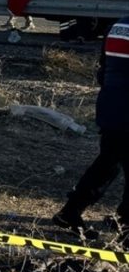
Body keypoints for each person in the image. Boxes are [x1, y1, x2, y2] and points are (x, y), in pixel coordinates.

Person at [52, 15, 129, 243]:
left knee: (108, 162)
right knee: (110, 163)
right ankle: (126, 227)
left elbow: (103, 69)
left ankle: (70, 212)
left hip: (111, 106)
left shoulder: (119, 26)